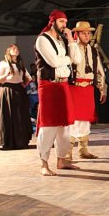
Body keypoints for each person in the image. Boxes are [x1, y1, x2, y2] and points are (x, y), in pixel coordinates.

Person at [34, 9, 81, 176]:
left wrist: (71, 40)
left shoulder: (62, 40)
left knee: (65, 126)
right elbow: (53, 62)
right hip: (49, 85)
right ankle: (44, 163)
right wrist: (67, 60)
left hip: (63, 85)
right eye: (61, 22)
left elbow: (77, 59)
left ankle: (62, 160)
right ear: (52, 21)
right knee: (49, 125)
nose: (64, 25)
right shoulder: (42, 39)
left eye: (65, 22)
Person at [67, 21, 107, 160]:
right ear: (77, 34)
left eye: (88, 33)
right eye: (83, 33)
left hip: (88, 88)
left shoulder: (93, 51)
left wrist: (102, 88)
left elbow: (99, 71)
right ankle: (67, 153)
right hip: (74, 87)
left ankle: (83, 150)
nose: (87, 36)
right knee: (73, 120)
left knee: (85, 120)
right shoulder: (71, 48)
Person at [0, 44, 33, 151]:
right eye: (14, 49)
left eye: (17, 49)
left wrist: (23, 85)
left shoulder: (20, 64)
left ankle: (20, 141)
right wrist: (6, 75)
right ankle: (1, 142)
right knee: (5, 115)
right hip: (7, 90)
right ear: (8, 51)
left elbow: (28, 78)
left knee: (19, 116)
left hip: (19, 91)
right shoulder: (3, 64)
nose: (16, 50)